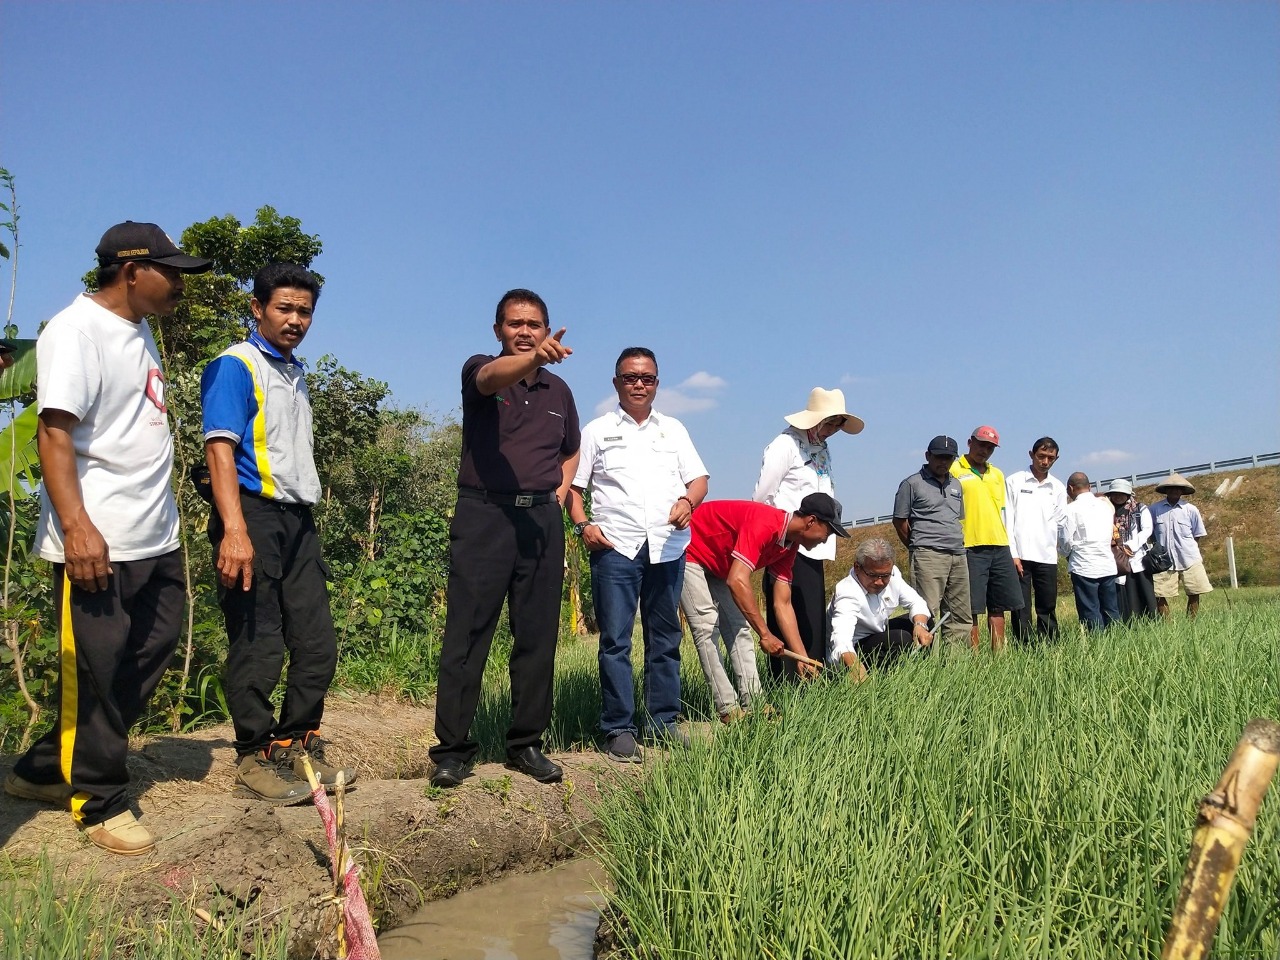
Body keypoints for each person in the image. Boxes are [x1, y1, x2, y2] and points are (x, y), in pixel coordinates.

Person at [3, 222, 212, 855]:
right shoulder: (76, 331)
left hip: (156, 535)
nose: (178, 283)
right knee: (96, 669)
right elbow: (54, 434)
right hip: (101, 540)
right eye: (169, 271)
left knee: (153, 647)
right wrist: (78, 529)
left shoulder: (135, 328)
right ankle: (97, 802)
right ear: (130, 271)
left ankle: (46, 765)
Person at [200, 263, 353, 805]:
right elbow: (219, 449)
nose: (295, 320)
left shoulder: (293, 371)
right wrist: (234, 531)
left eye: (304, 310)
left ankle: (298, 743)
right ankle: (254, 755)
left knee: (316, 641)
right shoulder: (235, 365)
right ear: (257, 307)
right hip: (251, 514)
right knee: (257, 639)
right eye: (284, 308)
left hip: (296, 519)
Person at [430, 290, 580, 789]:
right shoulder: (483, 371)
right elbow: (492, 377)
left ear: (546, 327)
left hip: (540, 522)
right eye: (514, 323)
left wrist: (557, 495)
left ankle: (526, 745)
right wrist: (529, 360)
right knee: (468, 635)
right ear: (498, 330)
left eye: (534, 324)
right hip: (484, 515)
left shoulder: (559, 392)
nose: (524, 330)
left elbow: (570, 451)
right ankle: (452, 751)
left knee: (537, 637)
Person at [568, 347, 708, 763]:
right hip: (616, 548)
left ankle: (662, 720)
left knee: (665, 638)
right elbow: (575, 490)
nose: (639, 385)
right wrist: (583, 525)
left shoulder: (674, 430)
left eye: (647, 378)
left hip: (666, 546)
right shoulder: (596, 431)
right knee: (615, 640)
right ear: (616, 383)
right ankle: (618, 726)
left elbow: (698, 479)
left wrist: (688, 502)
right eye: (631, 377)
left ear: (657, 384)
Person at [681, 494, 846, 722]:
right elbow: (738, 581)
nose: (826, 540)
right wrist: (766, 634)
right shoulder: (766, 524)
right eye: (828, 532)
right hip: (690, 548)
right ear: (811, 521)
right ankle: (728, 708)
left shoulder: (788, 548)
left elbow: (782, 603)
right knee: (706, 626)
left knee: (740, 629)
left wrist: (801, 657)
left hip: (720, 564)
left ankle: (754, 704)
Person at [753, 387, 863, 679]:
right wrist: (770, 539)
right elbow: (763, 497)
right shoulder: (784, 445)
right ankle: (785, 683)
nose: (832, 430)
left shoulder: (821, 449)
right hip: (786, 543)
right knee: (787, 613)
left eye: (837, 425)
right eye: (828, 423)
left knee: (812, 618)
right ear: (811, 419)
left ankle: (812, 678)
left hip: (815, 546)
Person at [891, 436, 973, 645]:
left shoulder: (956, 485)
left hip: (957, 553)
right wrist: (917, 545)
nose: (943, 462)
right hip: (927, 553)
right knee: (926, 612)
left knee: (960, 613)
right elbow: (900, 521)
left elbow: (955, 518)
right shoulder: (912, 483)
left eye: (948, 458)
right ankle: (929, 664)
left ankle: (956, 664)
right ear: (928, 456)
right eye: (938, 457)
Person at [950, 426, 1023, 650]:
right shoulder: (954, 469)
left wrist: (1013, 550)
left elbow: (1004, 511)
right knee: (971, 607)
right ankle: (974, 658)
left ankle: (998, 654)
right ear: (970, 442)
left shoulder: (997, 474)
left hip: (1000, 544)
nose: (985, 450)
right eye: (981, 444)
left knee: (998, 605)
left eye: (990, 447)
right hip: (970, 545)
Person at [827, 537, 933, 677]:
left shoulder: (893, 574)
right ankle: (888, 680)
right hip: (856, 647)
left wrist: (920, 625)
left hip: (878, 634)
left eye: (885, 576)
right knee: (899, 639)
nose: (879, 582)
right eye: (872, 575)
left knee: (925, 620)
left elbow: (917, 602)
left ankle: (920, 674)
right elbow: (841, 639)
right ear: (857, 567)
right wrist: (854, 667)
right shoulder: (847, 592)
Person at [1005, 437, 1067, 642]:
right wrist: (1013, 554)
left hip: (1047, 554)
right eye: (1041, 456)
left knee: (1047, 603)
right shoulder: (1014, 481)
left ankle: (1049, 643)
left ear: (1056, 458)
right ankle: (1023, 644)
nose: (1045, 461)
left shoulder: (1057, 487)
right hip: (1020, 554)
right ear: (1031, 455)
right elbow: (1008, 519)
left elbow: (1061, 521)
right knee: (1021, 605)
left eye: (1051, 458)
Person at [1058, 472, 1120, 631]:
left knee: (1090, 610)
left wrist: (1067, 554)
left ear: (1070, 488)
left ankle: (1097, 643)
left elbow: (1065, 540)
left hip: (1083, 565)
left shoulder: (1070, 509)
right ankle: (1117, 641)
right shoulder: (1106, 507)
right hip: (1106, 564)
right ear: (1090, 486)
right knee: (1111, 608)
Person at [1149, 472, 1212, 620]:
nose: (1174, 491)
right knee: (1159, 593)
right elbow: (1149, 533)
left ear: (1182, 491)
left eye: (1178, 488)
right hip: (1163, 560)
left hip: (1189, 557)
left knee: (1194, 591)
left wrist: (1189, 549)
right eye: (1171, 488)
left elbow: (1197, 534)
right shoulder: (1154, 509)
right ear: (1166, 491)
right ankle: (1167, 624)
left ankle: (1191, 622)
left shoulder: (1191, 510)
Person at [1106, 478, 1157, 621]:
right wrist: (1118, 547)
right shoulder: (1106, 511)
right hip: (1117, 559)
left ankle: (1150, 621)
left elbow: (1147, 530)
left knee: (1143, 591)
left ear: (1129, 495)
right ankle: (1128, 622)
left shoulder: (1140, 509)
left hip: (1138, 557)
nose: (1118, 496)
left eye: (1122, 493)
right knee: (1124, 593)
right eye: (1115, 493)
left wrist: (1130, 545)